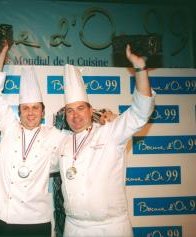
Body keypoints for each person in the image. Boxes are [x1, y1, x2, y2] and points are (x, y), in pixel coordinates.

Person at [0, 43, 117, 237]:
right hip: (7, 216)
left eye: (35, 108)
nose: (30, 113)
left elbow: (85, 134)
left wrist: (103, 117)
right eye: (25, 108)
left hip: (38, 218)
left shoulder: (56, 135)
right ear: (19, 111)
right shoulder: (9, 127)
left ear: (43, 112)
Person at [58, 45, 155, 237]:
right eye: (70, 110)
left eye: (80, 108)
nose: (75, 115)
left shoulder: (110, 132)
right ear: (65, 115)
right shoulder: (62, 142)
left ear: (91, 110)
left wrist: (140, 68)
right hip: (74, 228)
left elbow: (140, 112)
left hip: (110, 228)